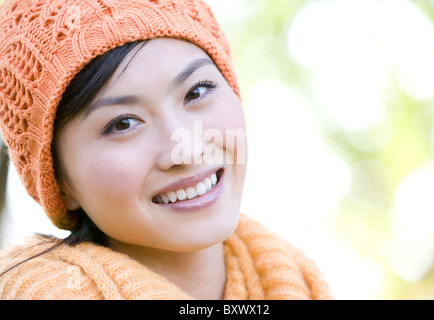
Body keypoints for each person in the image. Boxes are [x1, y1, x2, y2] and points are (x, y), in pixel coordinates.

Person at [0, 0, 333, 300]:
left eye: (197, 91)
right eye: (123, 124)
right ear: (59, 181)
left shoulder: (299, 282)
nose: (185, 150)